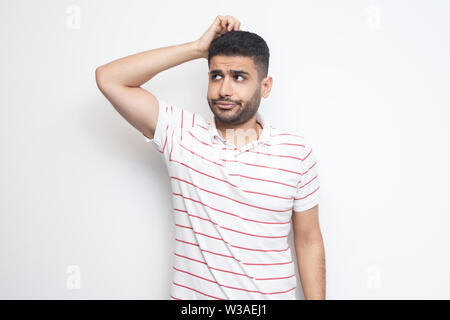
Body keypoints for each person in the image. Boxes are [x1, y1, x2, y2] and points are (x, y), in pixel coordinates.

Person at [95, 15, 325, 300]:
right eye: (216, 76)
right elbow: (109, 78)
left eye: (239, 77)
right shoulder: (181, 135)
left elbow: (308, 241)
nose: (224, 90)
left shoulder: (296, 152)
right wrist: (196, 48)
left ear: (265, 86)